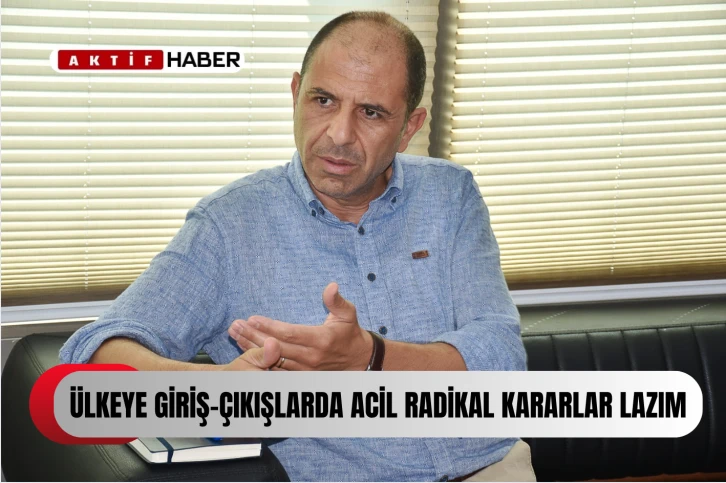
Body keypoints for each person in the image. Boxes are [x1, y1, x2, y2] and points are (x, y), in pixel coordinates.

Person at [60, 11, 533, 481]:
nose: (339, 135)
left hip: (492, 468)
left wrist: (370, 358)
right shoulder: (229, 224)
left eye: (370, 112)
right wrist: (217, 390)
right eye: (323, 100)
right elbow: (94, 354)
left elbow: (501, 358)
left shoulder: (451, 194)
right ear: (295, 95)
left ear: (409, 127)